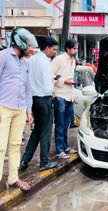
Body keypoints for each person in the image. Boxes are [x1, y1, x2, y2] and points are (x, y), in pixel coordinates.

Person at [0, 28, 38, 191]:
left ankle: (13, 178)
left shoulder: (25, 63)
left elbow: (28, 88)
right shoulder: (3, 56)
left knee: (15, 145)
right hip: (4, 107)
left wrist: (29, 111)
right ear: (19, 41)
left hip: (20, 109)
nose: (29, 46)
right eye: (27, 42)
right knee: (0, 146)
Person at [19, 37, 59, 172]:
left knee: (36, 131)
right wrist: (53, 85)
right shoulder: (45, 62)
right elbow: (48, 86)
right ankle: (44, 162)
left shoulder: (30, 61)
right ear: (47, 48)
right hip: (45, 99)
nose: (55, 52)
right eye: (53, 49)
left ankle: (25, 160)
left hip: (33, 100)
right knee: (46, 132)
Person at [52, 39, 79, 159]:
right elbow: (51, 74)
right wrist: (65, 81)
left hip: (69, 96)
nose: (76, 50)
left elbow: (72, 80)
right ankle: (59, 150)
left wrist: (73, 95)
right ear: (68, 48)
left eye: (77, 48)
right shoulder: (59, 59)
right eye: (74, 48)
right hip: (59, 95)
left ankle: (65, 146)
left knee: (67, 124)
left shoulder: (73, 61)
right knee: (60, 123)